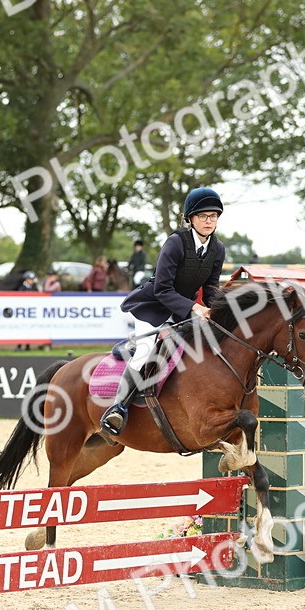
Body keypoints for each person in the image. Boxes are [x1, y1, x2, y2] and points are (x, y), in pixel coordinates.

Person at [100, 187, 225, 436]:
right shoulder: (176, 242)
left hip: (183, 309)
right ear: (190, 218)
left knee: (211, 341)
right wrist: (194, 307)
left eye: (214, 216)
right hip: (154, 306)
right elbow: (162, 289)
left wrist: (215, 309)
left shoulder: (217, 249)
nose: (209, 221)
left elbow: (211, 287)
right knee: (145, 351)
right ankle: (118, 408)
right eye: (203, 216)